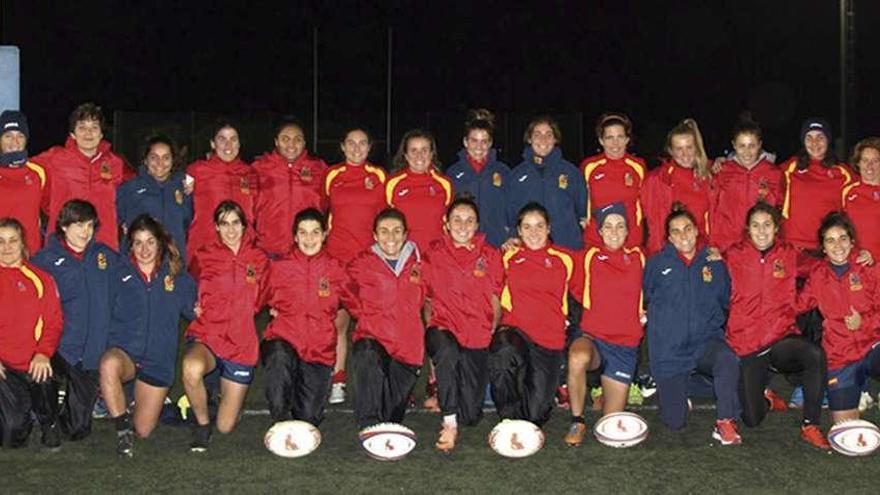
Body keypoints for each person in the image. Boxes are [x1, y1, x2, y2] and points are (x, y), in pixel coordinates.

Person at [724, 201, 830, 449]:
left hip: (780, 338)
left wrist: (798, 305)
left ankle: (810, 425)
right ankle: (767, 398)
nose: (761, 231)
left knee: (813, 354)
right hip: (746, 345)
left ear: (776, 228)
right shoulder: (732, 256)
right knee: (751, 418)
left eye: (767, 225)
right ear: (747, 229)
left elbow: (823, 268)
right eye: (755, 226)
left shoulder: (789, 254)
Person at [641, 206, 742, 444]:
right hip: (671, 351)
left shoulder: (713, 262)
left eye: (687, 228)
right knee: (675, 422)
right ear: (668, 237)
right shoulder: (656, 265)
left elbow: (724, 299)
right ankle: (677, 387)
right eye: (675, 231)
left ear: (697, 231)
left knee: (727, 360)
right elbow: (643, 298)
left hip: (704, 343)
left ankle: (725, 422)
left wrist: (710, 327)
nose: (683, 235)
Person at [98, 215, 196, 458]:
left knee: (143, 430)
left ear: (160, 243)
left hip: (158, 360)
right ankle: (122, 432)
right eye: (138, 242)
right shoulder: (118, 273)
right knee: (109, 365)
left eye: (150, 242)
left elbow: (196, 310)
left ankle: (129, 400)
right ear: (129, 245)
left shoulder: (176, 275)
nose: (144, 249)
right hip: (126, 353)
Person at [182, 200, 269, 451]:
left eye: (235, 223)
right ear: (216, 228)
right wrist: (191, 306)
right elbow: (186, 285)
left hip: (241, 344)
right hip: (208, 334)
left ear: (244, 226)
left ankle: (225, 397)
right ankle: (200, 424)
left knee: (226, 426)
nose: (230, 230)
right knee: (191, 367)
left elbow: (267, 294)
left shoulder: (259, 259)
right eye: (224, 224)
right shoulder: (203, 255)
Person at [31, 200, 118, 441]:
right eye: (79, 225)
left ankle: (63, 409)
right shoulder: (45, 260)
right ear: (64, 227)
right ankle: (40, 413)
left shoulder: (104, 256)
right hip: (56, 346)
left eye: (90, 225)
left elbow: (130, 279)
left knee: (77, 429)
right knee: (40, 374)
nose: (85, 232)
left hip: (90, 352)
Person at [422, 197, 503, 451]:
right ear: (446, 223)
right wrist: (431, 344)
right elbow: (426, 300)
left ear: (477, 224)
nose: (462, 225)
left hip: (476, 335)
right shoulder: (433, 253)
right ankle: (449, 422)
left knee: (471, 416)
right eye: (456, 219)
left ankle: (449, 397)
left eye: (469, 220)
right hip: (443, 328)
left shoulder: (490, 255)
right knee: (447, 351)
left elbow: (496, 299)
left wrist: (491, 330)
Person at [564, 203, 647, 446]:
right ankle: (577, 420)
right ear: (599, 231)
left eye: (620, 226)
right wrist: (514, 246)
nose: (614, 231)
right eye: (608, 226)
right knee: (577, 356)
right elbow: (551, 256)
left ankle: (602, 395)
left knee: (609, 429)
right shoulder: (588, 257)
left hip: (625, 346)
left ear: (627, 230)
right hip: (594, 340)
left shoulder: (640, 257)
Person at [489, 203, 575, 427]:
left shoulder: (566, 259)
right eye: (526, 227)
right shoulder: (507, 256)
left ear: (549, 229)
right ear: (518, 231)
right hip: (515, 334)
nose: (533, 232)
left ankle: (534, 384)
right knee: (503, 352)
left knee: (537, 416)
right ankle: (508, 421)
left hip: (548, 342)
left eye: (539, 226)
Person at [342, 208, 427, 429]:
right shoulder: (362, 262)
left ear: (406, 234)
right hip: (374, 340)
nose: (391, 237)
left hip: (408, 350)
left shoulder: (421, 263)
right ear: (375, 235)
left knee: (391, 419)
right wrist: (363, 314)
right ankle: (367, 426)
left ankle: (383, 416)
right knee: (366, 354)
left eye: (397, 231)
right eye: (384, 231)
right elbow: (342, 288)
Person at [261, 208, 345, 426]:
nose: (309, 239)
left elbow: (361, 303)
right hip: (285, 342)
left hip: (318, 352)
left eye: (315, 232)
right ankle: (279, 417)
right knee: (279, 357)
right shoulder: (278, 268)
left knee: (308, 420)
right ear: (295, 236)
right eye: (303, 233)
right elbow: (252, 298)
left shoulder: (336, 269)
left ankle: (303, 392)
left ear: (325, 234)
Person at [323, 127, 387, 404]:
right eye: (351, 143)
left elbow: (386, 220)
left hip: (368, 264)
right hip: (337, 261)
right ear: (342, 146)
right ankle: (337, 380)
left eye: (362, 143)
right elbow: (323, 213)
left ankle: (372, 381)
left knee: (371, 325)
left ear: (369, 148)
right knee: (338, 322)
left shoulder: (379, 177)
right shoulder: (332, 176)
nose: (357, 148)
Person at [796, 212, 880, 423]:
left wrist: (864, 322)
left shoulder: (868, 268)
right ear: (823, 247)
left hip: (872, 346)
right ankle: (860, 387)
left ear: (852, 241)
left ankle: (868, 384)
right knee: (846, 430)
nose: (838, 245)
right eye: (830, 240)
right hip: (840, 356)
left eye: (843, 238)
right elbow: (796, 306)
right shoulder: (817, 275)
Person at [0, 217, 63, 449]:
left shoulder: (41, 279)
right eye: (1, 241)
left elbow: (53, 322)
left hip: (34, 362)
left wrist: (43, 353)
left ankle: (49, 422)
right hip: (4, 367)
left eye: (13, 241)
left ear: (22, 244)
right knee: (12, 436)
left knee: (43, 374)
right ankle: (22, 411)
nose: (7, 248)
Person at [34, 102, 131, 250]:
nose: (88, 133)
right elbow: (23, 171)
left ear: (101, 134)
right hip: (63, 246)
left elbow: (137, 186)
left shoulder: (115, 163)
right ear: (72, 134)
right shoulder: (54, 158)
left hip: (104, 245)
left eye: (94, 127)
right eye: (82, 127)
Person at [505, 116, 586, 251]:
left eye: (549, 135)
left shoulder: (571, 173)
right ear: (529, 139)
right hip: (530, 250)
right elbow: (509, 216)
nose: (543, 140)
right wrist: (514, 237)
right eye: (537, 135)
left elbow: (582, 213)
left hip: (567, 248)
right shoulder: (516, 175)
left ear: (555, 139)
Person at [253, 117, 328, 258]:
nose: (291, 145)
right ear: (276, 142)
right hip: (269, 250)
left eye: (297, 139)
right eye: (285, 139)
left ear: (304, 143)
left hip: (307, 249)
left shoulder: (319, 169)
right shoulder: (259, 168)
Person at [185, 120, 258, 261]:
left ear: (239, 144)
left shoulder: (250, 173)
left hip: (241, 251)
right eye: (222, 139)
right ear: (213, 144)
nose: (228, 145)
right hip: (205, 252)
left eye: (233, 139)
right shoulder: (196, 171)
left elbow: (256, 211)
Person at [710, 119, 783, 252]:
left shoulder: (774, 173)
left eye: (752, 145)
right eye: (742, 145)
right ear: (734, 145)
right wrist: (714, 243)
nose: (747, 152)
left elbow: (780, 209)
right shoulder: (722, 171)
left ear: (760, 144)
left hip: (760, 243)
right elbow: (712, 208)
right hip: (727, 244)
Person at [643, 118, 713, 254]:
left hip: (702, 252)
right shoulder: (658, 180)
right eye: (679, 149)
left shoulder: (710, 175)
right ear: (670, 151)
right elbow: (654, 224)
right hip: (670, 253)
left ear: (696, 148)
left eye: (689, 147)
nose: (685, 154)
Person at [117, 135, 193, 260]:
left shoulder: (184, 187)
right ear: (145, 160)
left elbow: (188, 223)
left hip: (173, 263)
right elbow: (113, 220)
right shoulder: (129, 189)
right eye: (154, 157)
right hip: (138, 264)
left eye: (166, 158)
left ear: (173, 160)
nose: (160, 163)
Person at [780, 118, 852, 251]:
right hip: (793, 247)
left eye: (820, 137)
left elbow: (866, 189)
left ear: (828, 140)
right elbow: (763, 177)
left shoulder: (842, 172)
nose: (815, 143)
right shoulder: (790, 167)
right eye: (809, 137)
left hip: (828, 249)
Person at [579, 113, 646, 248]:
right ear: (601, 140)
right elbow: (579, 198)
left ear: (627, 139)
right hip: (596, 241)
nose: (615, 143)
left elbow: (646, 202)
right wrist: (580, 217)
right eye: (609, 137)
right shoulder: (589, 167)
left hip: (631, 241)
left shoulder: (638, 166)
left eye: (620, 137)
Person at [445, 109, 510, 247]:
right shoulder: (453, 173)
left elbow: (512, 208)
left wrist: (510, 235)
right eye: (474, 141)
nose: (479, 147)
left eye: (484, 141)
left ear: (490, 143)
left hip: (496, 244)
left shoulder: (503, 171)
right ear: (465, 142)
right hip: (463, 242)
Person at [385, 129, 454, 251]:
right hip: (403, 256)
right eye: (413, 150)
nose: (419, 156)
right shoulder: (392, 184)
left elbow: (451, 223)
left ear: (431, 154)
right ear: (405, 155)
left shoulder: (444, 184)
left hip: (436, 255)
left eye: (424, 150)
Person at [0, 110, 48, 254]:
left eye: (20, 136)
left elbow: (51, 208)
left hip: (31, 256)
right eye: (8, 136)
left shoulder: (39, 172)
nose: (14, 142)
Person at [842, 137, 880, 258]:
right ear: (858, 163)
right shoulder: (848, 192)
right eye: (865, 160)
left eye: (875, 161)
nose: (870, 166)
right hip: (858, 263)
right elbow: (840, 228)